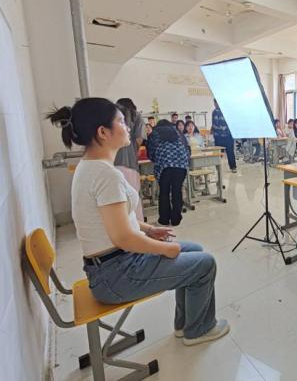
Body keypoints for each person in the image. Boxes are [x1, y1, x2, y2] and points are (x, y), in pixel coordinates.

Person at [47, 97, 228, 346]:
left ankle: (184, 325)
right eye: (121, 122)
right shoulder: (105, 174)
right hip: (118, 274)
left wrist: (149, 229)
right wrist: (164, 249)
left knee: (194, 249)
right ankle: (198, 330)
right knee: (205, 263)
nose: (128, 127)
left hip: (111, 267)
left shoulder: (91, 167)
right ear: (103, 132)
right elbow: (123, 237)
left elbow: (117, 220)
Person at [149, 119, 190, 227]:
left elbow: (151, 151)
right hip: (181, 164)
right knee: (177, 190)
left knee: (164, 192)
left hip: (164, 165)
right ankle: (176, 219)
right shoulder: (178, 132)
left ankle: (164, 219)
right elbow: (187, 148)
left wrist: (156, 159)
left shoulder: (155, 133)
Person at [113, 98, 145, 221]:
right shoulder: (136, 116)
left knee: (118, 199)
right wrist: (133, 150)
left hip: (112, 162)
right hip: (130, 163)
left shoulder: (112, 116)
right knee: (133, 197)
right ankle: (137, 225)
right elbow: (139, 139)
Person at [210, 99, 237, 173]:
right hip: (218, 137)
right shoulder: (214, 112)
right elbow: (214, 123)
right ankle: (217, 168)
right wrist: (215, 130)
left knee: (230, 152)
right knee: (218, 153)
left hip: (228, 136)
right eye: (215, 103)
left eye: (217, 103)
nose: (216, 104)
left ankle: (233, 167)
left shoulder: (228, 111)